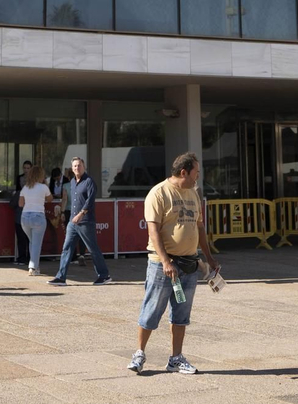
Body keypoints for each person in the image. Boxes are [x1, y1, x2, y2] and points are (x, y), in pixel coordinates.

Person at [129, 151, 217, 376]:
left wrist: (208, 257)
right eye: (196, 172)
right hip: (162, 266)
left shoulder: (194, 194)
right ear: (183, 171)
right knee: (151, 311)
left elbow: (199, 227)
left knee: (181, 314)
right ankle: (139, 353)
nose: (198, 177)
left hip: (189, 265)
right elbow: (153, 231)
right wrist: (166, 261)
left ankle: (176, 358)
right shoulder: (158, 193)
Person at [50, 157, 110, 286]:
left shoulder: (89, 182)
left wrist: (81, 214)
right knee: (66, 248)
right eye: (75, 166)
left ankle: (104, 275)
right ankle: (61, 277)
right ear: (72, 169)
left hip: (85, 221)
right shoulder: (72, 182)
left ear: (84, 167)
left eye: (79, 165)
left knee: (92, 249)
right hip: (73, 221)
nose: (77, 168)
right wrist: (69, 215)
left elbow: (90, 201)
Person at [17, 165, 50, 274]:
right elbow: (50, 199)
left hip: (25, 217)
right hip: (38, 217)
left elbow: (20, 204)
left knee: (32, 242)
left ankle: (36, 267)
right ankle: (33, 267)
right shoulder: (43, 187)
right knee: (36, 243)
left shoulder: (25, 187)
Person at [12, 160, 34, 266]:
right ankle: (23, 258)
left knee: (28, 238)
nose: (26, 170)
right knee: (22, 237)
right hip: (22, 214)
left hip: (28, 214)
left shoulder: (36, 183)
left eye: (28, 168)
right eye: (24, 168)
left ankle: (29, 258)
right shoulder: (19, 185)